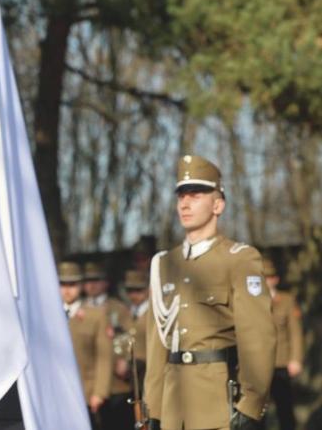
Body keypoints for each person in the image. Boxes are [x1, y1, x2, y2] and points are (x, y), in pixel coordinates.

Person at [145, 154, 276, 430]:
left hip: (218, 408)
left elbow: (258, 339)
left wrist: (250, 406)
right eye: (181, 195)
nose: (185, 203)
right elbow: (158, 345)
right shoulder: (164, 264)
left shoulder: (239, 259)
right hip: (172, 409)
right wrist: (153, 409)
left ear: (218, 205)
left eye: (195, 195)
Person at [59, 261, 111, 430]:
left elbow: (104, 357)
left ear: (80, 286)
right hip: (55, 392)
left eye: (72, 284)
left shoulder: (96, 316)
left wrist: (99, 392)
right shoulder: (47, 315)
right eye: (62, 284)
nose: (67, 289)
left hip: (85, 393)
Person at [83, 262, 132, 430]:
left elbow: (132, 336)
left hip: (115, 385)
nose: (91, 284)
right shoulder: (80, 310)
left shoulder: (118, 309)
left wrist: (125, 359)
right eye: (88, 280)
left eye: (96, 280)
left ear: (106, 283)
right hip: (87, 385)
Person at [263, 258, 303, 430]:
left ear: (276, 279)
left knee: (285, 409)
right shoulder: (249, 301)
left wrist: (296, 359)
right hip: (258, 365)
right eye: (263, 277)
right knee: (257, 412)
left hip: (281, 362)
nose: (267, 281)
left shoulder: (286, 300)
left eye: (270, 277)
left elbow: (295, 332)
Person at [123, 269, 150, 428]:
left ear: (147, 289)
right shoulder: (124, 312)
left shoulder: (152, 313)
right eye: (130, 290)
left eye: (138, 290)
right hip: (131, 380)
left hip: (147, 374)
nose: (134, 295)